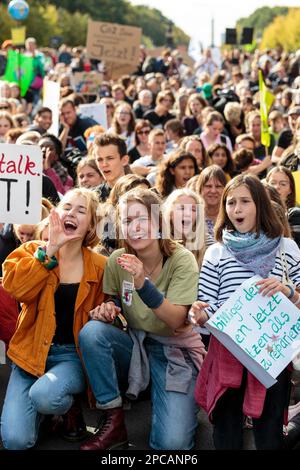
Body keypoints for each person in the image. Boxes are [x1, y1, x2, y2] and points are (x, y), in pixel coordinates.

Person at [78, 188, 206, 450]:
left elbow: (177, 321)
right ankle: (114, 420)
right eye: (126, 221)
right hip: (135, 346)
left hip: (173, 350)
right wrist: (108, 310)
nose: (133, 227)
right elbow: (116, 303)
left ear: (158, 221)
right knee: (92, 332)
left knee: (172, 444)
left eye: (141, 218)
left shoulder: (181, 259)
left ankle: (174, 400)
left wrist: (142, 284)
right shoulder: (116, 260)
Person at [191, 174, 300, 450]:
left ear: (260, 205)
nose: (236, 209)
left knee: (270, 433)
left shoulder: (287, 248)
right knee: (226, 431)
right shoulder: (215, 253)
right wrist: (199, 314)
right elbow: (207, 308)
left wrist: (288, 292)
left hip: (272, 357)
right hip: (227, 355)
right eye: (230, 202)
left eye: (244, 201)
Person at [0, 188, 107, 450]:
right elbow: (15, 289)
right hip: (29, 353)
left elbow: (112, 315)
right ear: (56, 214)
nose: (72, 213)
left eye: (81, 211)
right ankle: (47, 415)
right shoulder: (31, 250)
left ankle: (64, 406)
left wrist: (108, 311)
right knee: (15, 441)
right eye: (67, 207)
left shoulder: (101, 264)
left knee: (45, 396)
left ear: (91, 225)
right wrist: (50, 250)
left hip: (72, 356)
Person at [93, 132, 130, 202]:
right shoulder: (92, 197)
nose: (104, 164)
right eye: (99, 159)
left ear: (124, 160)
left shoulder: (144, 192)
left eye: (110, 158)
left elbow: (155, 211)